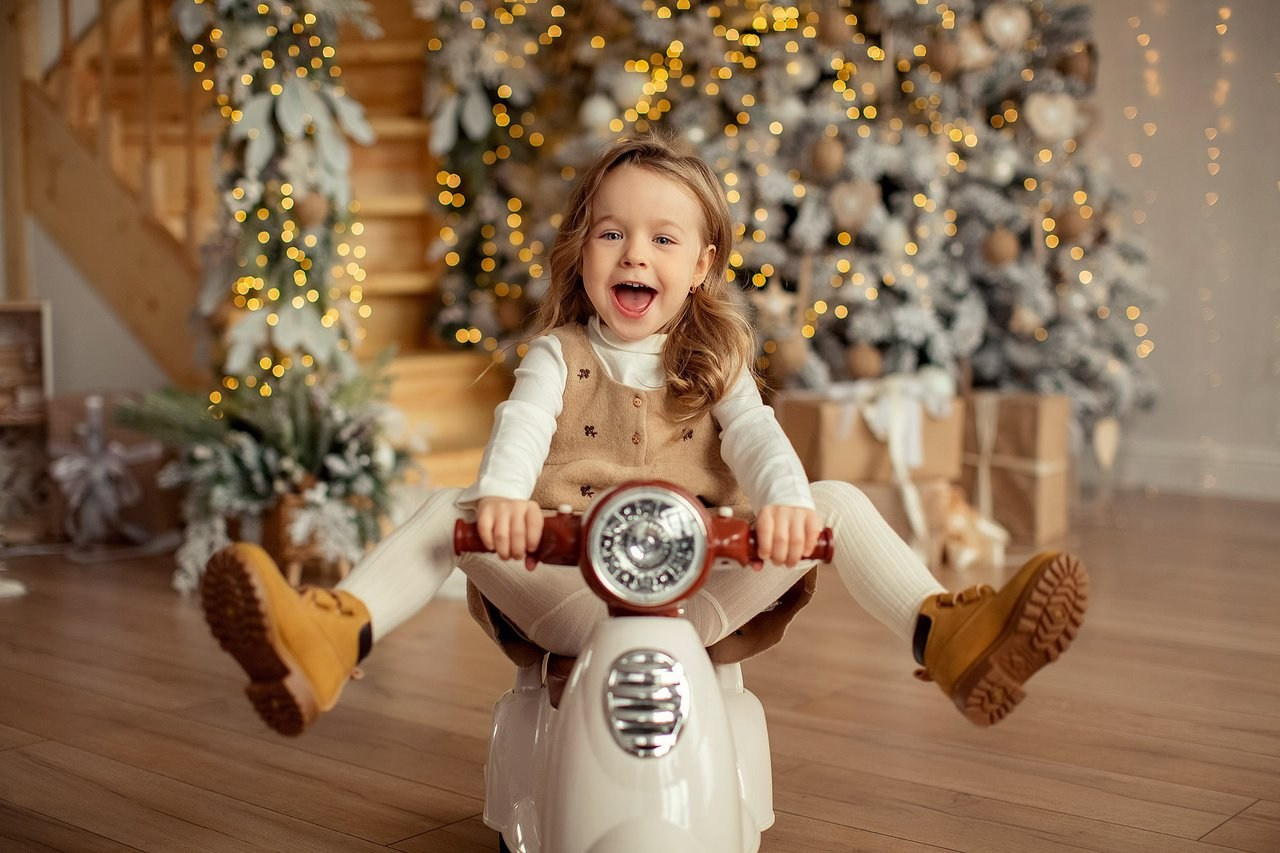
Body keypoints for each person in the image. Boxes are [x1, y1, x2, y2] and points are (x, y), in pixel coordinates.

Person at [201, 134, 1087, 737]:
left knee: (838, 500)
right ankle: (328, 637)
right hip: (570, 589)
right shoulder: (557, 354)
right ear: (582, 252)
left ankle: (951, 635)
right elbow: (520, 427)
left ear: (701, 265)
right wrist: (504, 502)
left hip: (697, 591)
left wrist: (784, 505)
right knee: (449, 509)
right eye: (612, 233)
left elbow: (758, 438)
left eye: (664, 238)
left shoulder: (717, 360)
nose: (635, 254)